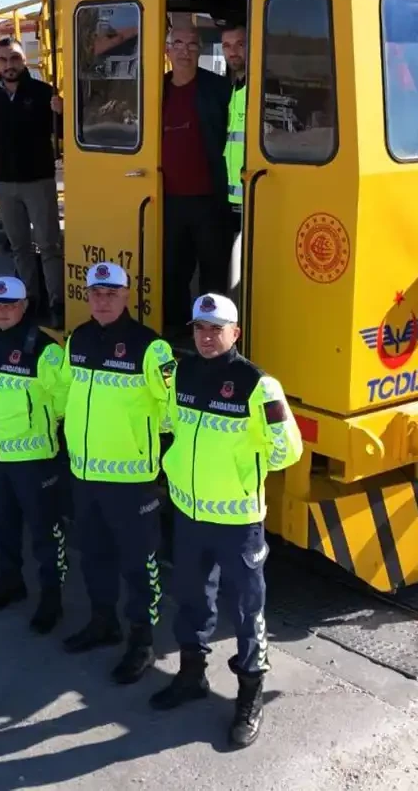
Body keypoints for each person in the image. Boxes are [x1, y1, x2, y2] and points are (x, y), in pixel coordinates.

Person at [147, 293, 303, 748]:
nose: (207, 336)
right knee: (191, 598)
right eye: (200, 328)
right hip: (190, 512)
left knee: (246, 610)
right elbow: (171, 422)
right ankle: (192, 676)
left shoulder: (258, 385)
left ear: (235, 333)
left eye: (217, 329)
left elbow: (286, 450)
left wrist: (242, 472)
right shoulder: (182, 374)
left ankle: (249, 696)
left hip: (237, 520)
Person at [58, 261, 176, 684]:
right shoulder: (79, 339)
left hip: (131, 480)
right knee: (94, 553)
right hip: (86, 473)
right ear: (87, 296)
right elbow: (68, 395)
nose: (103, 300)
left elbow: (171, 411)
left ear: (127, 296)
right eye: (96, 293)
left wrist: (151, 457)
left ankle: (142, 642)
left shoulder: (150, 347)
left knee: (139, 563)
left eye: (111, 293)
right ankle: (102, 621)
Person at [0, 275, 69, 633]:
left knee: (45, 533)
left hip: (33, 460)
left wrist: (34, 430)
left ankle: (51, 598)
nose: (2, 311)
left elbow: (63, 403)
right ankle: (10, 581)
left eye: (10, 304)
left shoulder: (45, 350)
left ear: (25, 306)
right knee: (0, 526)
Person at [0, 37, 67, 328]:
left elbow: (63, 137)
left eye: (14, 59)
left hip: (38, 181)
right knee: (20, 247)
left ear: (24, 60)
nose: (8, 65)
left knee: (49, 245)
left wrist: (62, 114)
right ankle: (31, 300)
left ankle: (57, 303)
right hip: (5, 183)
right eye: (3, 60)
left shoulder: (43, 93)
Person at [161, 22, 232, 336]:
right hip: (168, 201)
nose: (184, 50)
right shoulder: (155, 90)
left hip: (210, 200)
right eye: (178, 43)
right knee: (173, 271)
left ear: (200, 49)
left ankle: (211, 333)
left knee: (213, 273)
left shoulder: (218, 89)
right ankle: (176, 334)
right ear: (168, 49)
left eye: (191, 44)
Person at [220, 23, 247, 293]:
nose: (233, 52)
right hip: (228, 197)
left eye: (239, 44)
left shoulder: (260, 88)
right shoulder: (227, 88)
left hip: (253, 197)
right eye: (227, 46)